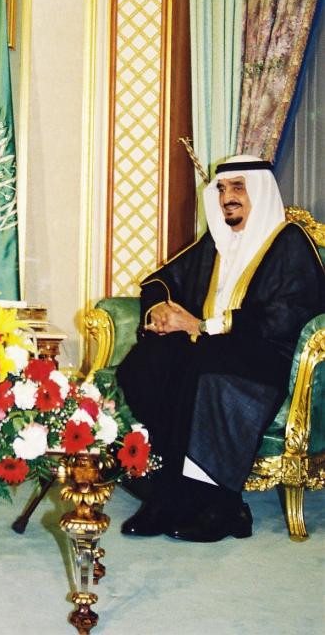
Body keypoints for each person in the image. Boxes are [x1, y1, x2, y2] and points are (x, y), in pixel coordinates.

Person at [116, 154, 324, 542]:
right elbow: (162, 280)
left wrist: (204, 326)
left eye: (238, 188)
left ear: (259, 192)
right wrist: (160, 308)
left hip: (266, 357)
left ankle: (218, 504)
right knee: (146, 363)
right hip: (208, 348)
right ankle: (170, 486)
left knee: (203, 367)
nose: (228, 197)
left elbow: (286, 316)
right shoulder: (216, 242)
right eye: (223, 189)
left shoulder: (289, 242)